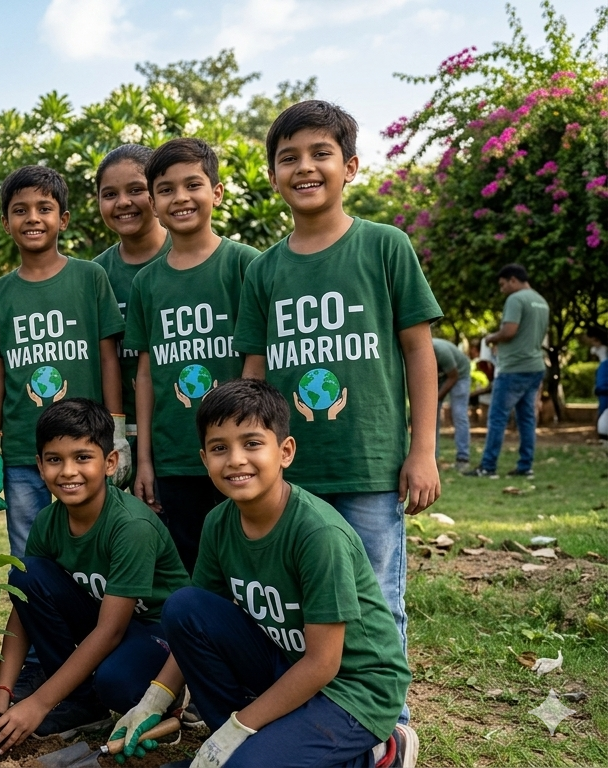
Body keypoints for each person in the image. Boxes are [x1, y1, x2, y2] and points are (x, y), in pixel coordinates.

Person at [235, 102, 443, 697]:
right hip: (291, 470)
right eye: (288, 158)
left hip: (369, 464)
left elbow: (419, 352)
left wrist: (423, 451)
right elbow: (254, 375)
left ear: (349, 166)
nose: (304, 167)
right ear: (273, 175)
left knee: (375, 597)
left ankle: (388, 720)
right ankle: (312, 708)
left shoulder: (385, 246)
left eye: (320, 153)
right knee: (300, 599)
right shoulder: (264, 271)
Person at [115, 378, 415, 768]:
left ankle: (380, 752)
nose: (235, 460)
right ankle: (240, 743)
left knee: (245, 762)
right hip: (289, 664)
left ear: (285, 451)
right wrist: (155, 698)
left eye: (252, 443)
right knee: (184, 605)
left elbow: (323, 663)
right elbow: (194, 620)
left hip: (353, 689)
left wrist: (240, 727)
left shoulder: (318, 534)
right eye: (219, 448)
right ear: (204, 459)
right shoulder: (218, 523)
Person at [0, 398, 189, 750]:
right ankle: (83, 705)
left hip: (157, 632)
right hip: (104, 618)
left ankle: (168, 698)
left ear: (110, 462)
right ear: (40, 466)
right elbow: (25, 607)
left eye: (83, 457)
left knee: (117, 683)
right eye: (54, 460)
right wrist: (3, 691)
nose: (68, 471)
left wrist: (38, 703)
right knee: (27, 577)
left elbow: (110, 631)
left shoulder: (130, 526)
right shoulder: (48, 521)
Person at [0, 164, 128, 558]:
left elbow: (108, 359)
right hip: (25, 447)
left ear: (64, 219)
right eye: (20, 210)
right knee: (30, 554)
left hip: (89, 442)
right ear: (6, 223)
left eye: (44, 208)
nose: (32, 218)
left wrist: (117, 432)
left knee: (96, 548)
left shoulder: (90, 277)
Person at [125, 138, 260, 572]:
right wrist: (145, 460)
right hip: (174, 457)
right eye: (166, 189)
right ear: (153, 203)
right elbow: (145, 375)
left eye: (193, 185)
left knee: (245, 562)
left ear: (216, 193)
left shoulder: (246, 265)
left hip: (238, 454)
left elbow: (259, 361)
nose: (180, 197)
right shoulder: (146, 283)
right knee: (188, 568)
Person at [93, 144, 170, 479]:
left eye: (136, 190)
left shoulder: (191, 257)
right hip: (113, 437)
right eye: (110, 194)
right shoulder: (94, 274)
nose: (123, 202)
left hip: (180, 430)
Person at [467, 264, 549, 479]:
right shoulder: (541, 301)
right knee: (527, 419)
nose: (502, 289)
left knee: (497, 418)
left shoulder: (516, 299)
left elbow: (510, 331)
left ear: (513, 280)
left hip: (514, 368)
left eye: (503, 284)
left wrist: (491, 338)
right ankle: (525, 466)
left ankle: (488, 466)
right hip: (535, 366)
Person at [431, 337, 471, 473]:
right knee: (430, 416)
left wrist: (437, 397)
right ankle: (432, 458)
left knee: (459, 414)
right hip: (441, 376)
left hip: (460, 375)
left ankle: (463, 458)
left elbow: (453, 376)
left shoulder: (440, 351)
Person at [586, 325, 608, 443]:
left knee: (603, 410)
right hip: (603, 379)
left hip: (604, 380)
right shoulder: (598, 349)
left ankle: (600, 435)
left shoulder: (602, 350)